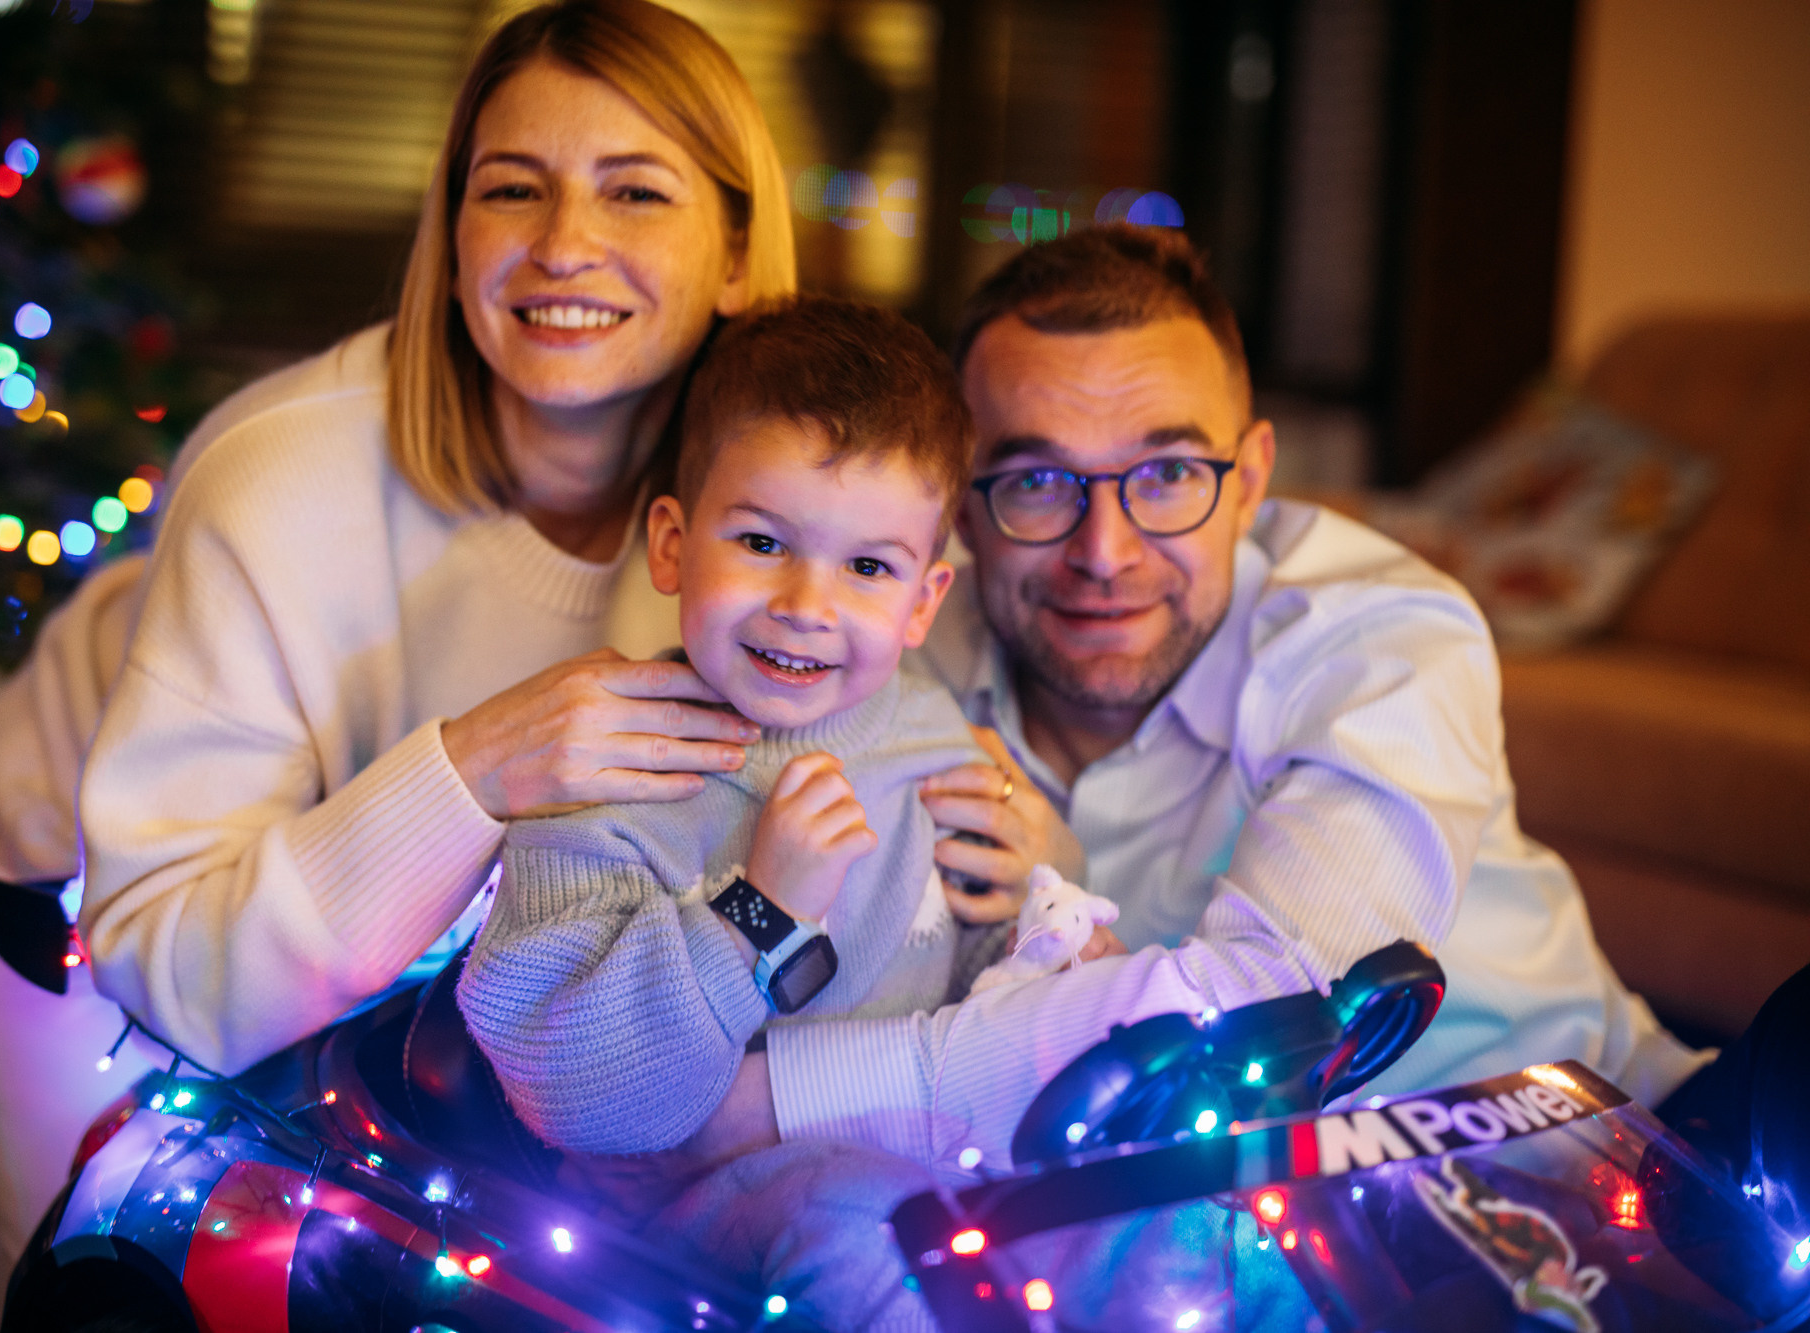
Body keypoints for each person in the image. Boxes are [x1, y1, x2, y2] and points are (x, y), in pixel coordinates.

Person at [0, 0, 794, 1304]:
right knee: (94, 1265)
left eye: (634, 192)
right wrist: (471, 768)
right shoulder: (282, 474)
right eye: (514, 190)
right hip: (89, 903)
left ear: (734, 254)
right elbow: (180, 971)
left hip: (422, 977)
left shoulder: (791, 507)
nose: (565, 246)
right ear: (453, 241)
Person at [681, 224, 1712, 1189]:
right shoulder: (895, 657)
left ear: (1250, 477)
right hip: (1198, 1218)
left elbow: (1275, 1020)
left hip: (1597, 1158)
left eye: (1169, 471)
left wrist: (774, 1099)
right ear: (958, 505)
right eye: (1037, 480)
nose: (1105, 552)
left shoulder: (1377, 640)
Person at [461, 296, 1006, 1155]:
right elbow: (570, 1099)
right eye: (761, 543)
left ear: (923, 601)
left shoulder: (932, 734)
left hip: (945, 1156)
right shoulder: (608, 769)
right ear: (674, 544)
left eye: (868, 566)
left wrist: (1045, 928)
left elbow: (978, 953)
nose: (805, 606)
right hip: (705, 1215)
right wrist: (759, 910)